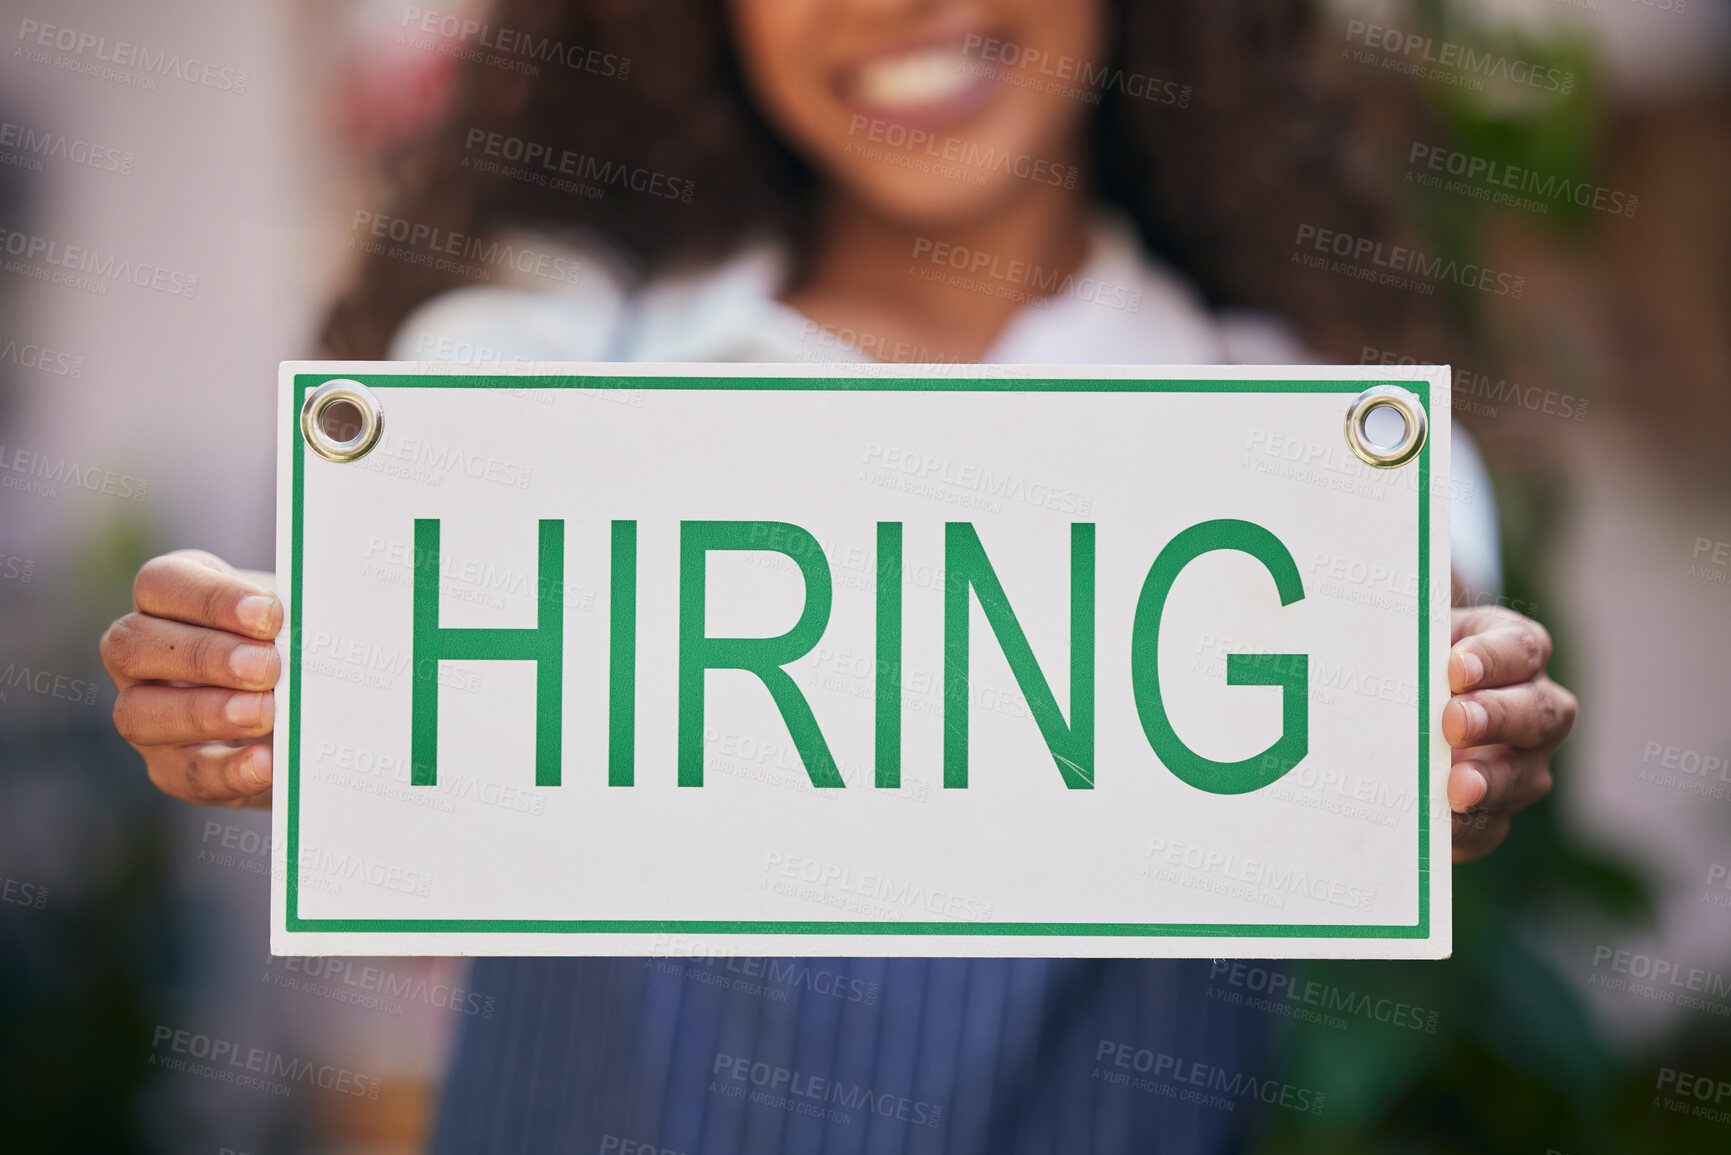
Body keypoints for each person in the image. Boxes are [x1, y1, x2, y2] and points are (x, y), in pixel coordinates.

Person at [100, 0, 1577, 1149]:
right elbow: (349, 666)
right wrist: (247, 687)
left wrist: (1446, 733)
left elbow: (1427, 669)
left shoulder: (1307, 435)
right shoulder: (535, 360)